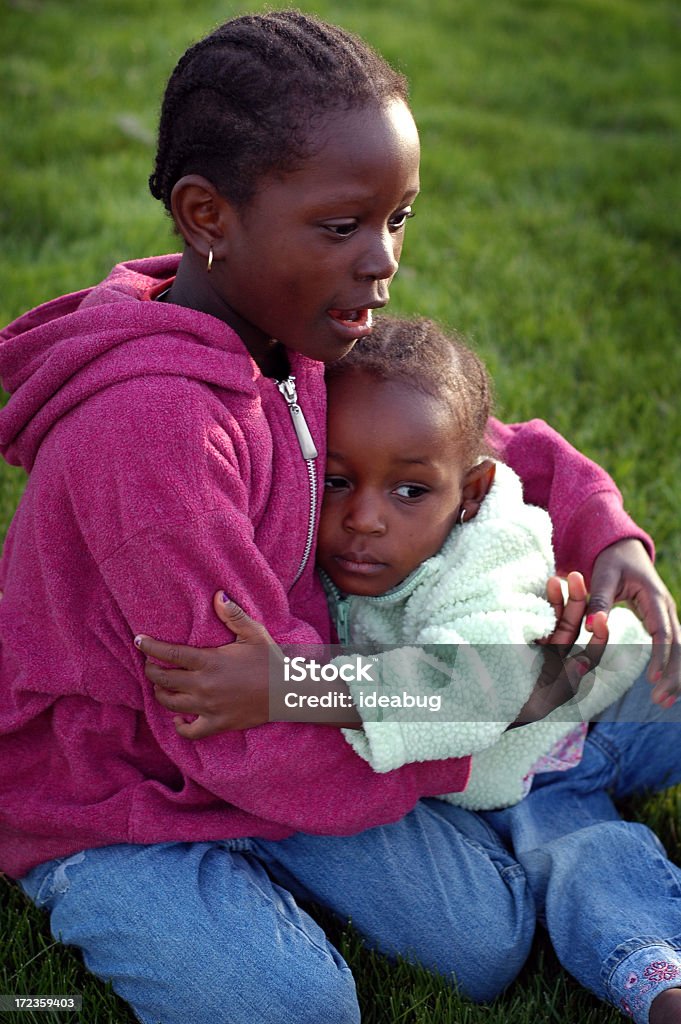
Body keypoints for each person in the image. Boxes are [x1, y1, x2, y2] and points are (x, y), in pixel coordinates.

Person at [0, 10, 677, 1024]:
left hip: (288, 718)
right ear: (206, 214)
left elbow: (467, 434)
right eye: (342, 225)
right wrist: (487, 711)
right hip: (123, 787)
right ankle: (96, 881)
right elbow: (220, 715)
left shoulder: (292, 326)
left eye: (397, 218)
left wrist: (605, 525)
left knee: (484, 941)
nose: (383, 261)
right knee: (298, 1006)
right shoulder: (150, 436)